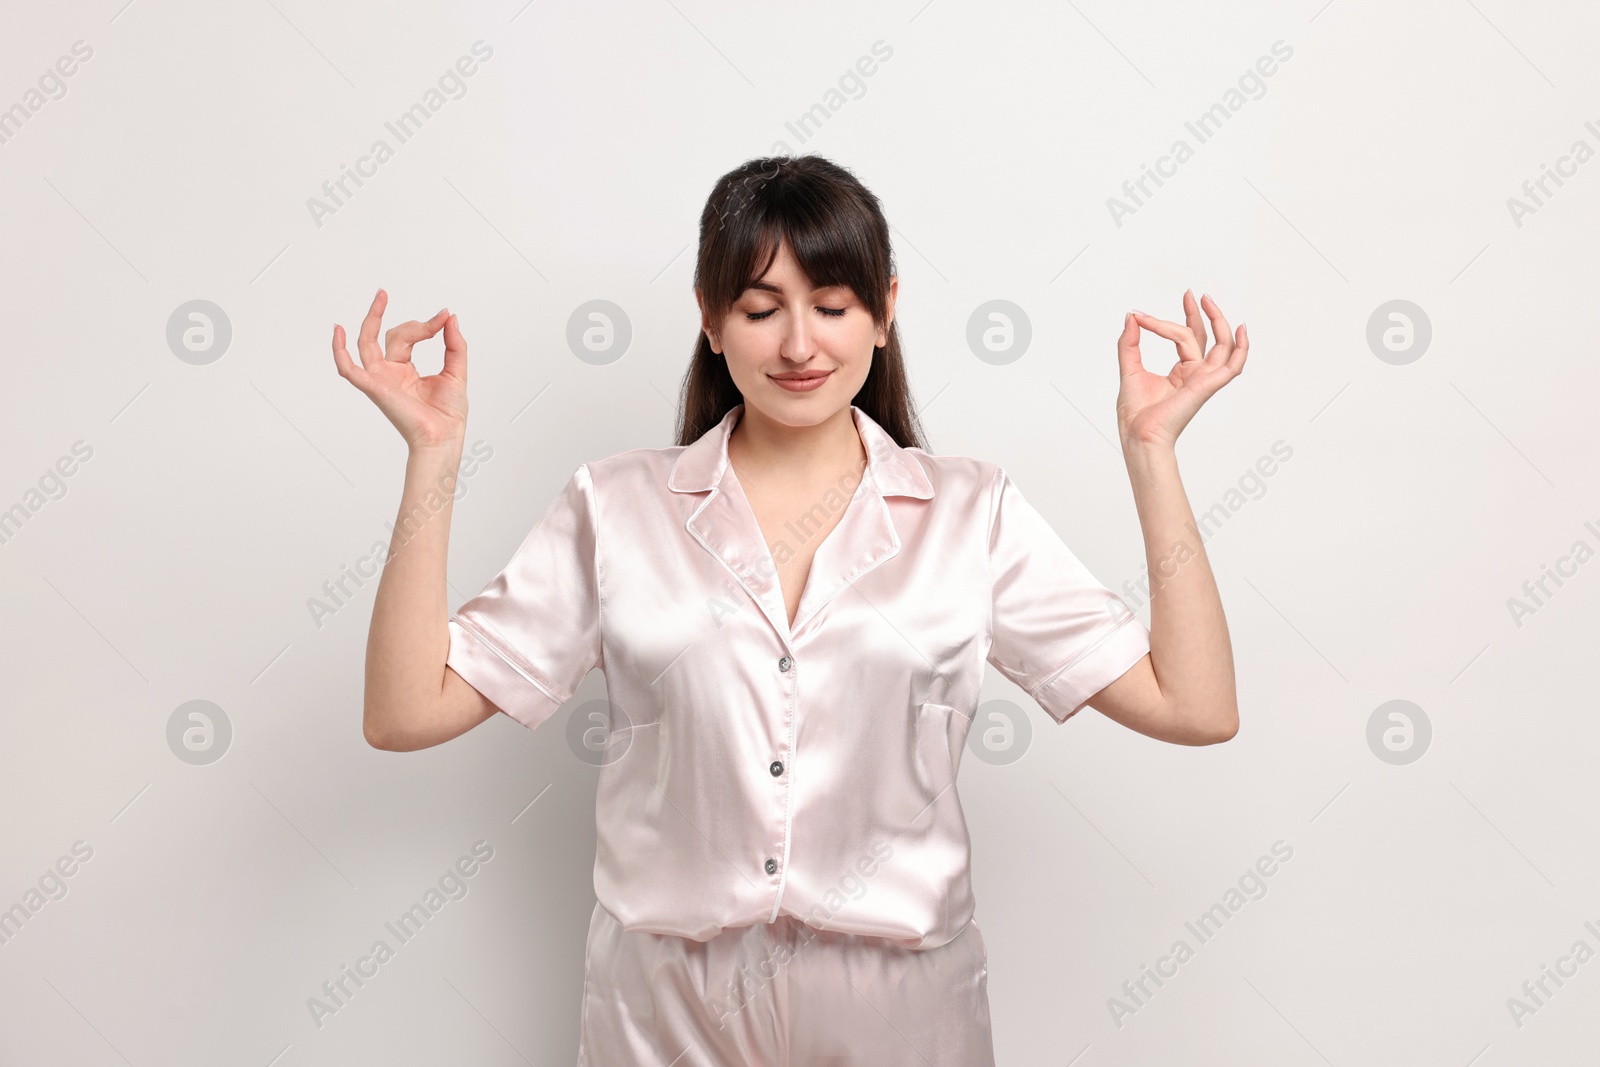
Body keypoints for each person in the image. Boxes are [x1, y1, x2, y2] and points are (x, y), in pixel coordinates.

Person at [332, 154, 1247, 1065]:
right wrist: (433, 458)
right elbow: (407, 711)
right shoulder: (616, 507)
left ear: (885, 312)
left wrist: (1152, 451)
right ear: (710, 316)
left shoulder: (972, 514)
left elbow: (1194, 707)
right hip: (664, 1010)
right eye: (763, 309)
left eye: (834, 307)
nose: (800, 345)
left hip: (901, 1009)